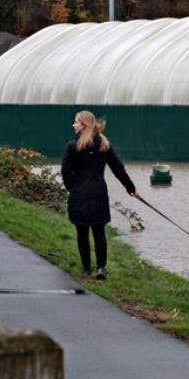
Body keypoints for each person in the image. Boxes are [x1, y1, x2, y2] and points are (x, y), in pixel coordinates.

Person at [61, 111, 139, 280]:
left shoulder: (72, 147)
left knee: (82, 232)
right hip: (98, 193)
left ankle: (86, 268)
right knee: (99, 232)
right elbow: (118, 169)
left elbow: (65, 173)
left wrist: (72, 188)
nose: (73, 125)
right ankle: (101, 268)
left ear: (83, 124)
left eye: (76, 122)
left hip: (79, 194)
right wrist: (130, 188)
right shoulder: (104, 145)